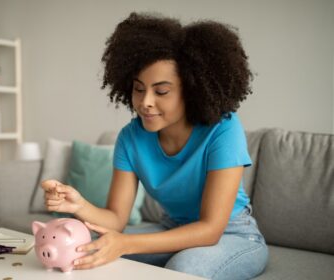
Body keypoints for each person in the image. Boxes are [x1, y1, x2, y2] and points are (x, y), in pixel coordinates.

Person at [42, 12, 268, 279]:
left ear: (192, 90)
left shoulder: (223, 130)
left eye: (161, 91)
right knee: (89, 251)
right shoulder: (131, 138)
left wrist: (125, 243)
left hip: (234, 235)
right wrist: (79, 205)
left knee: (184, 269)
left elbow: (210, 229)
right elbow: (116, 219)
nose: (145, 102)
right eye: (139, 89)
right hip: (172, 230)